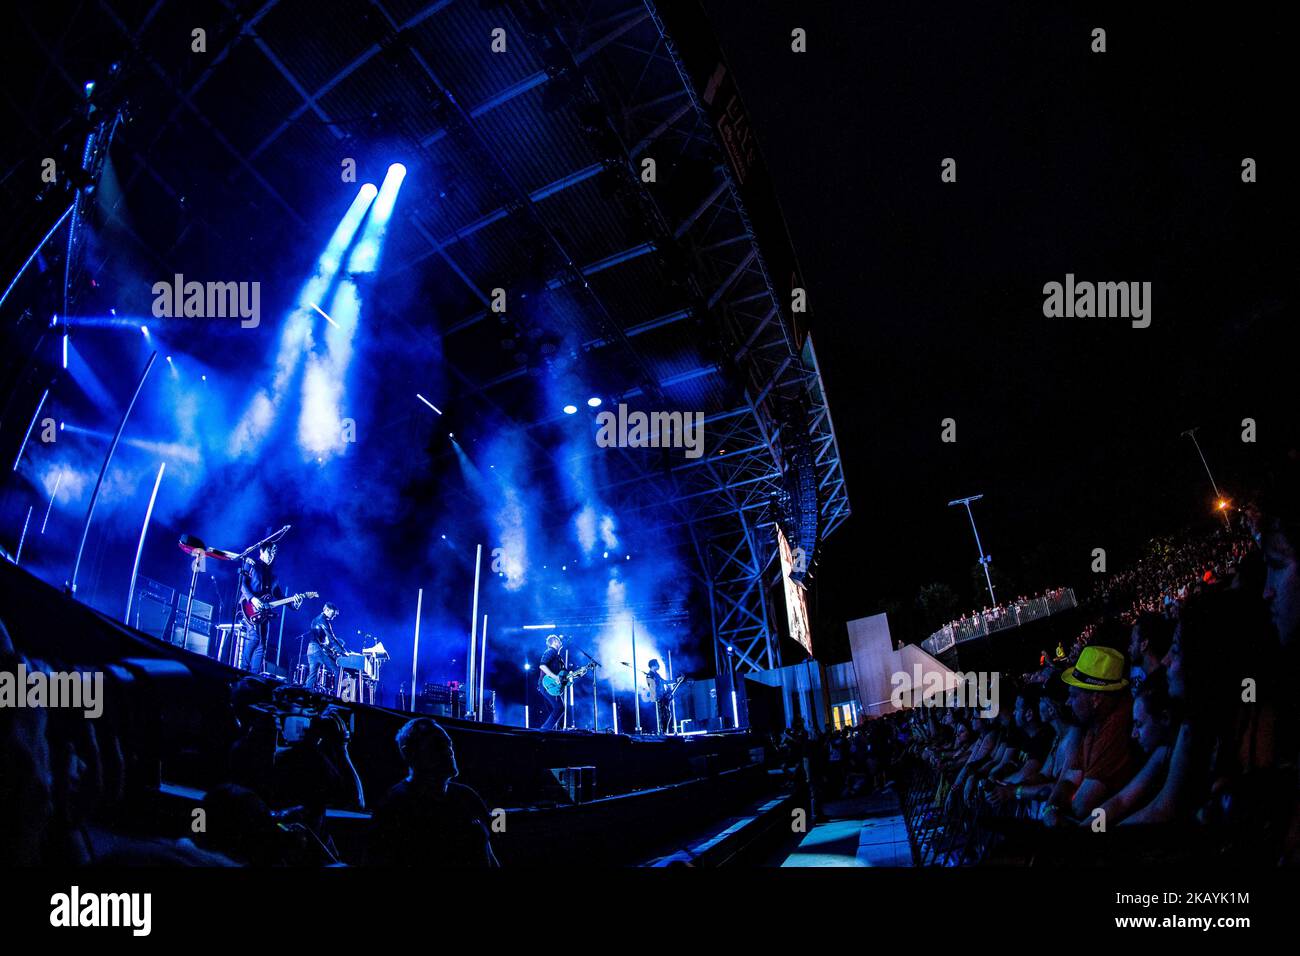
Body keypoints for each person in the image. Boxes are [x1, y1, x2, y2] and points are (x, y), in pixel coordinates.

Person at [368, 718, 498, 866]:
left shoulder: (468, 796)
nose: (449, 751)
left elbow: (488, 852)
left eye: (449, 744)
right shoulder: (394, 806)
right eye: (438, 745)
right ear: (411, 754)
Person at [237, 538, 300, 673]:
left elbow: (280, 596)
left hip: (264, 613)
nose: (272, 556)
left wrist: (294, 605)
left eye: (274, 553)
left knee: (262, 645)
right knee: (254, 637)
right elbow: (242, 584)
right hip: (249, 607)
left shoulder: (273, 577)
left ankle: (254, 675)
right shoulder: (252, 565)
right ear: (262, 551)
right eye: (270, 552)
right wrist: (253, 599)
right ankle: (242, 670)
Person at [305, 602, 344, 693]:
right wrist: (343, 651)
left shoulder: (315, 619)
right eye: (333, 613)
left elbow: (322, 639)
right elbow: (332, 639)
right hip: (317, 650)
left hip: (310, 649)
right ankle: (337, 696)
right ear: (326, 610)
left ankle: (305, 695)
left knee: (312, 675)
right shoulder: (323, 621)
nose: (334, 616)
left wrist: (331, 649)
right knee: (337, 670)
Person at [536, 634, 567, 731]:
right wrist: (555, 677)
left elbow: (562, 676)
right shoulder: (550, 651)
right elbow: (542, 666)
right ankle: (544, 730)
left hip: (554, 686)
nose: (560, 641)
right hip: (547, 685)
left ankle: (554, 732)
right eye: (558, 640)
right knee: (559, 708)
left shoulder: (559, 658)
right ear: (554, 642)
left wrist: (569, 679)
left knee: (557, 710)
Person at [645, 658, 673, 734]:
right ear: (653, 665)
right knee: (662, 716)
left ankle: (664, 731)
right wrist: (656, 697)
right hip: (658, 699)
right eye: (657, 664)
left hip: (663, 697)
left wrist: (675, 681)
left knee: (668, 714)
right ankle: (662, 732)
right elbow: (652, 688)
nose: (659, 666)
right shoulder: (649, 675)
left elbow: (664, 682)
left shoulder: (657, 674)